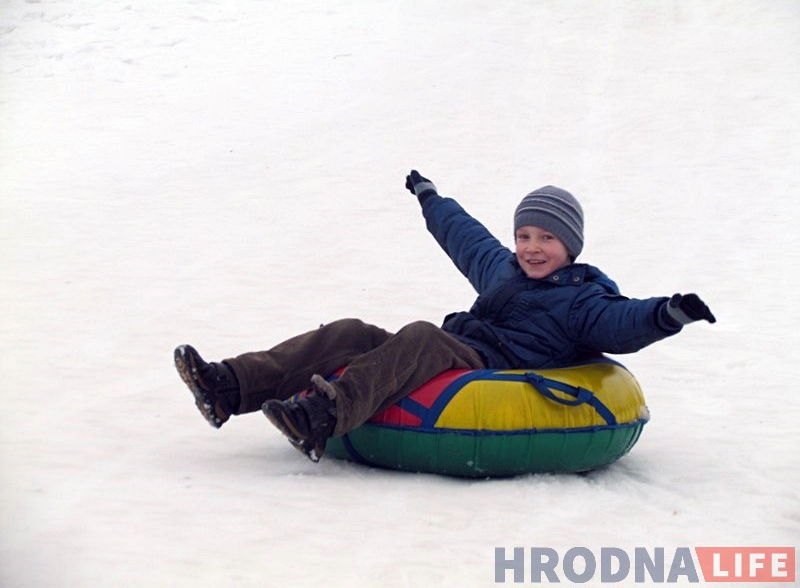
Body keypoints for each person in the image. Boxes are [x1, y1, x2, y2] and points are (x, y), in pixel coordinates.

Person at [174, 170, 715, 463]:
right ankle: (229, 386)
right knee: (350, 332)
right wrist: (432, 198)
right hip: (465, 347)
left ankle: (322, 417)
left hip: (495, 364)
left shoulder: (582, 300)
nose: (531, 248)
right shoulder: (505, 271)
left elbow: (623, 324)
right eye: (524, 236)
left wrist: (669, 313)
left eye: (546, 238)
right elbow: (466, 237)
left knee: (423, 338)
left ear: (570, 245)